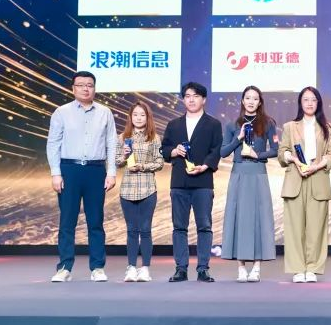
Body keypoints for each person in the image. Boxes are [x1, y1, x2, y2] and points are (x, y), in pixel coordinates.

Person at [46, 71, 116, 282]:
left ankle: (97, 267)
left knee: (96, 221)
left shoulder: (105, 112)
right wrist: (56, 173)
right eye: (81, 85)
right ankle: (64, 267)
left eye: (90, 85)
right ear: (73, 88)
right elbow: (53, 143)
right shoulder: (61, 112)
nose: (86, 89)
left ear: (95, 88)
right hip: (70, 170)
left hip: (96, 171)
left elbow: (111, 143)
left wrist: (111, 172)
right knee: (67, 221)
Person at [160, 82, 223, 282]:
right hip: (179, 182)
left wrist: (205, 166)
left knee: (204, 226)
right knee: (179, 227)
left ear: (203, 99)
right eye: (187, 96)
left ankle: (203, 268)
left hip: (203, 181)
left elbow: (216, 149)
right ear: (183, 99)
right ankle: (181, 269)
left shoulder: (213, 124)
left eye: (196, 96)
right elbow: (164, 149)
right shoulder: (174, 124)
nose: (191, 99)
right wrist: (174, 151)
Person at [221, 85, 278, 283]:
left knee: (259, 218)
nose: (251, 101)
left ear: (260, 102)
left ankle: (257, 267)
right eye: (248, 98)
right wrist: (238, 139)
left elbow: (276, 150)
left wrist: (258, 154)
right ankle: (241, 267)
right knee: (239, 218)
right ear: (242, 101)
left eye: (255, 98)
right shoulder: (232, 125)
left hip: (258, 173)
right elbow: (223, 152)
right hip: (239, 173)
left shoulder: (268, 123)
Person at [280, 87, 331, 283]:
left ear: (318, 103)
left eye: (313, 99)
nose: (310, 103)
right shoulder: (290, 127)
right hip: (296, 178)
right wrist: (295, 161)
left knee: (316, 228)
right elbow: (282, 153)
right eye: (306, 99)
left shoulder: (328, 128)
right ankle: (298, 269)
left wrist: (316, 166)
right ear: (300, 103)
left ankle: (312, 268)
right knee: (294, 228)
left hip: (318, 177)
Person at [115, 100, 163, 282]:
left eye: (142, 115)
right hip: (127, 190)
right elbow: (116, 162)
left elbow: (159, 163)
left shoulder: (154, 138)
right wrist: (125, 155)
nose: (138, 118)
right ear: (130, 117)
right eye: (135, 114)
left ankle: (145, 268)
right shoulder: (122, 137)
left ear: (147, 117)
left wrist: (142, 166)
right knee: (131, 230)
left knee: (145, 229)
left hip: (148, 189)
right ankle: (131, 267)